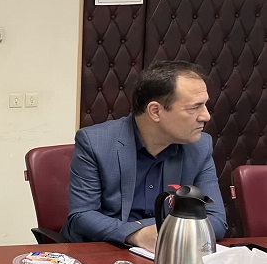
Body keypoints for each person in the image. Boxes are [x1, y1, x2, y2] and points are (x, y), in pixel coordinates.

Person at [61, 60, 227, 251]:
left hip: (167, 252)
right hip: (104, 250)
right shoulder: (95, 142)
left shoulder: (200, 146)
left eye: (205, 105)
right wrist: (137, 234)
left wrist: (160, 231)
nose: (206, 116)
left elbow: (216, 220)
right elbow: (82, 216)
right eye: (194, 107)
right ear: (155, 111)